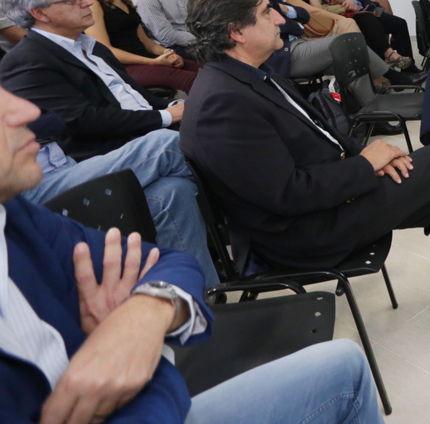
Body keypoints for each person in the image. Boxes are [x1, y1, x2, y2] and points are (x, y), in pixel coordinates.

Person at [180, 0, 430, 341]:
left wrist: (368, 154)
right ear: (236, 31)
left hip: (325, 205)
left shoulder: (248, 77)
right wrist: (364, 164)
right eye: (266, 12)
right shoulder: (222, 103)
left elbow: (320, 136)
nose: (280, 18)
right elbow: (288, 195)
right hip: (304, 234)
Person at [0, 84, 385, 424]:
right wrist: (149, 362)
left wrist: (145, 313)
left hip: (148, 398)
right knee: (169, 144)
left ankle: (221, 284)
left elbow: (172, 262)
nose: (27, 111)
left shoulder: (15, 218)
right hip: (152, 408)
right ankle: (242, 244)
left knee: (173, 191)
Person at [0, 0, 184, 161]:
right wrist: (166, 116)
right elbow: (80, 121)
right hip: (110, 151)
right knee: (192, 143)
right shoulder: (26, 61)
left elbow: (137, 97)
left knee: (202, 112)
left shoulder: (91, 46)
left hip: (149, 130)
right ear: (40, 13)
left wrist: (175, 106)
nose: (88, 2)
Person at [21, 111, 219, 287]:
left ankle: (202, 303)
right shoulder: (18, 86)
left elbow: (49, 120)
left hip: (65, 166)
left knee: (172, 192)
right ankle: (238, 199)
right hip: (31, 189)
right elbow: (58, 120)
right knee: (164, 145)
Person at [230, 0, 398, 89]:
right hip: (285, 53)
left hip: (300, 42)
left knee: (351, 61)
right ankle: (391, 76)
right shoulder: (251, 2)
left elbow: (304, 15)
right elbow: (293, 22)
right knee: (349, 42)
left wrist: (287, 9)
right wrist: (293, 21)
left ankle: (369, 110)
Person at [76, 0, 201, 94]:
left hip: (145, 59)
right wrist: (153, 62)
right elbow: (105, 50)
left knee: (205, 71)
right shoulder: (92, 3)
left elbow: (145, 41)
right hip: (122, 67)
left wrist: (167, 52)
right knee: (191, 80)